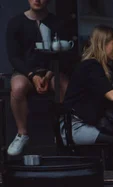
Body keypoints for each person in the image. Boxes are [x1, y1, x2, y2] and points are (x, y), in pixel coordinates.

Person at [62, 25, 113, 170]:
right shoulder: (91, 66)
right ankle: (110, 181)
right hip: (76, 128)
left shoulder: (101, 66)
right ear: (103, 44)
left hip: (87, 123)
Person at [5, 0, 69, 156]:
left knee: (65, 85)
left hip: (51, 70)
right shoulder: (16, 23)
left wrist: (48, 74)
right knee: (18, 88)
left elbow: (64, 55)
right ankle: (22, 134)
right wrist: (32, 76)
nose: (37, 0)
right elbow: (14, 58)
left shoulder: (57, 22)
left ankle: (64, 129)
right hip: (25, 72)